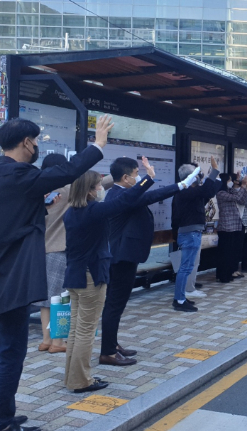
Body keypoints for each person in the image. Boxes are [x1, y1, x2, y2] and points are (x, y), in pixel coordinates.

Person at [0, 116, 110, 431]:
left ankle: (5, 412)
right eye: (36, 142)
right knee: (10, 352)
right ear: (25, 143)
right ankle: (4, 421)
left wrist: (39, 212)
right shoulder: (21, 175)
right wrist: (98, 145)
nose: (37, 147)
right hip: (10, 282)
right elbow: (69, 171)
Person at [99, 156, 198, 367]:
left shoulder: (122, 193)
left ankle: (112, 344)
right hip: (122, 257)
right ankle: (107, 351)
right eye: (136, 174)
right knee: (114, 304)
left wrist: (148, 178)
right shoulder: (120, 195)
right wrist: (180, 185)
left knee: (117, 303)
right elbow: (151, 195)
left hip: (126, 255)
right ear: (125, 178)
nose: (138, 178)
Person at [62, 168, 153, 394]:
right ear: (91, 191)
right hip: (92, 276)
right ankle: (82, 380)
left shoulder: (71, 211)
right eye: (99, 185)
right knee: (85, 331)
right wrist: (147, 179)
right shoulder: (94, 211)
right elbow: (126, 199)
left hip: (74, 275)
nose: (102, 189)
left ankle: (72, 376)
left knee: (75, 330)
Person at [32, 154, 71, 356]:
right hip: (59, 249)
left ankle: (46, 340)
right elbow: (96, 183)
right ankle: (58, 341)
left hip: (41, 249)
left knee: (46, 298)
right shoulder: (65, 190)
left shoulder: (39, 190)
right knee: (59, 298)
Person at [170, 158, 220, 312]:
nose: (199, 178)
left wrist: (214, 176)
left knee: (187, 267)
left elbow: (209, 191)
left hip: (190, 233)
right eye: (197, 175)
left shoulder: (189, 193)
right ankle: (179, 300)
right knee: (185, 268)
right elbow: (206, 190)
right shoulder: (185, 192)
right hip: (190, 234)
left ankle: (181, 297)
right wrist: (214, 171)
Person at [215, 172, 247, 283]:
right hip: (225, 226)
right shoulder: (221, 193)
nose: (231, 182)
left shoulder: (229, 191)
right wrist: (241, 186)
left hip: (234, 225)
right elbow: (237, 197)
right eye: (230, 180)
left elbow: (243, 199)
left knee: (231, 252)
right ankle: (222, 275)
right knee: (224, 252)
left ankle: (228, 273)